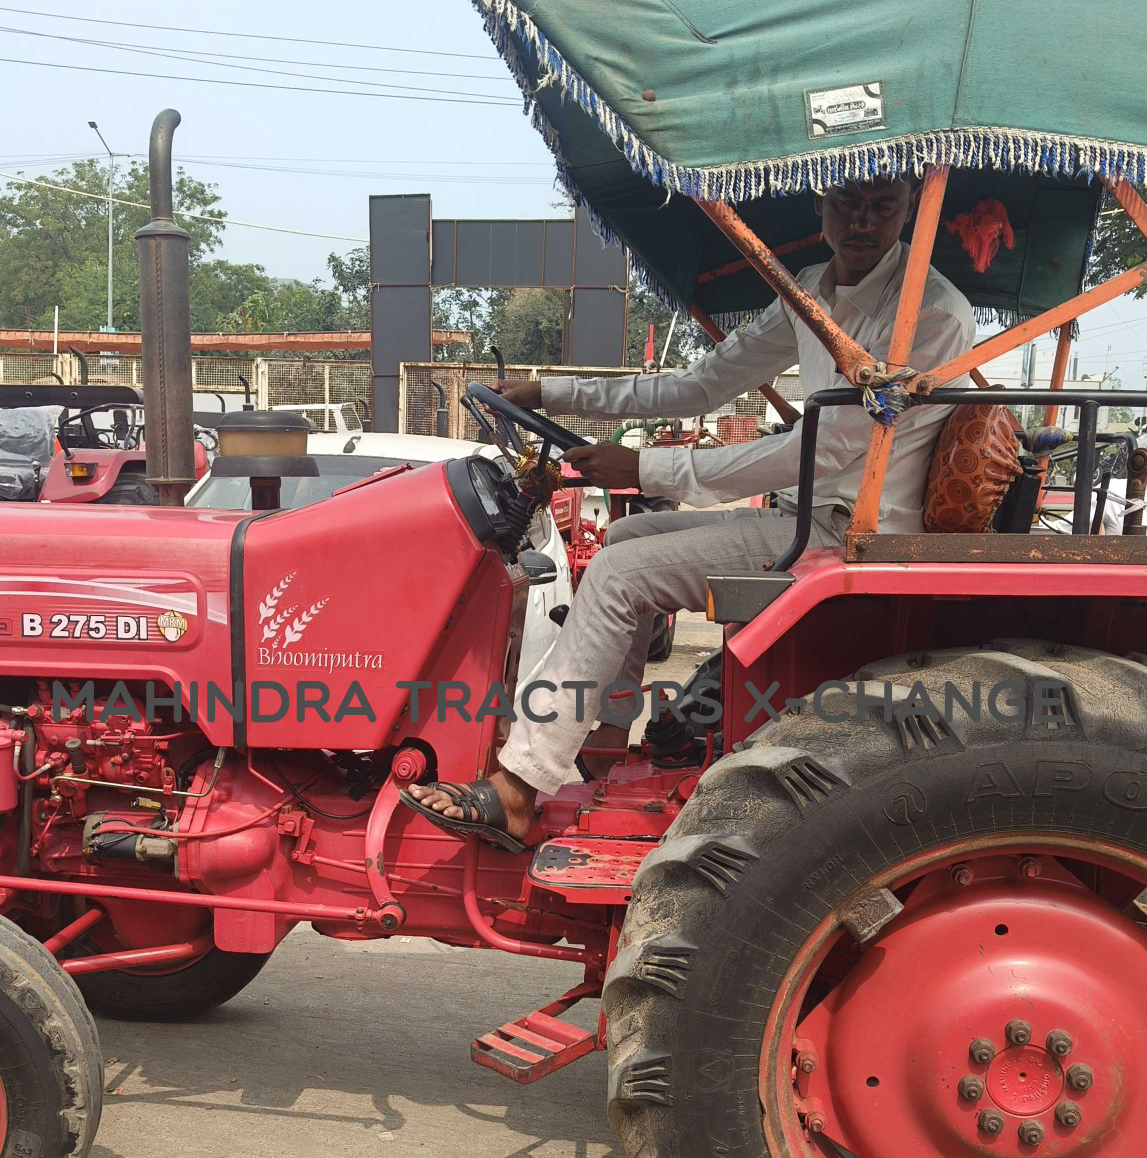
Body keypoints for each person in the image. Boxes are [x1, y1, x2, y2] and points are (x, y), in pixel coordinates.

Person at [405, 175, 975, 847]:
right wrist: (551, 393)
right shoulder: (810, 292)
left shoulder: (930, 312)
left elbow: (827, 446)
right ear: (820, 206)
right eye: (848, 203)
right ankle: (604, 743)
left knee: (618, 576)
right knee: (624, 536)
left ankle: (517, 789)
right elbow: (700, 385)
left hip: (854, 531)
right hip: (809, 514)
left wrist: (647, 468)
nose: (863, 222)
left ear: (910, 211)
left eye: (883, 206)